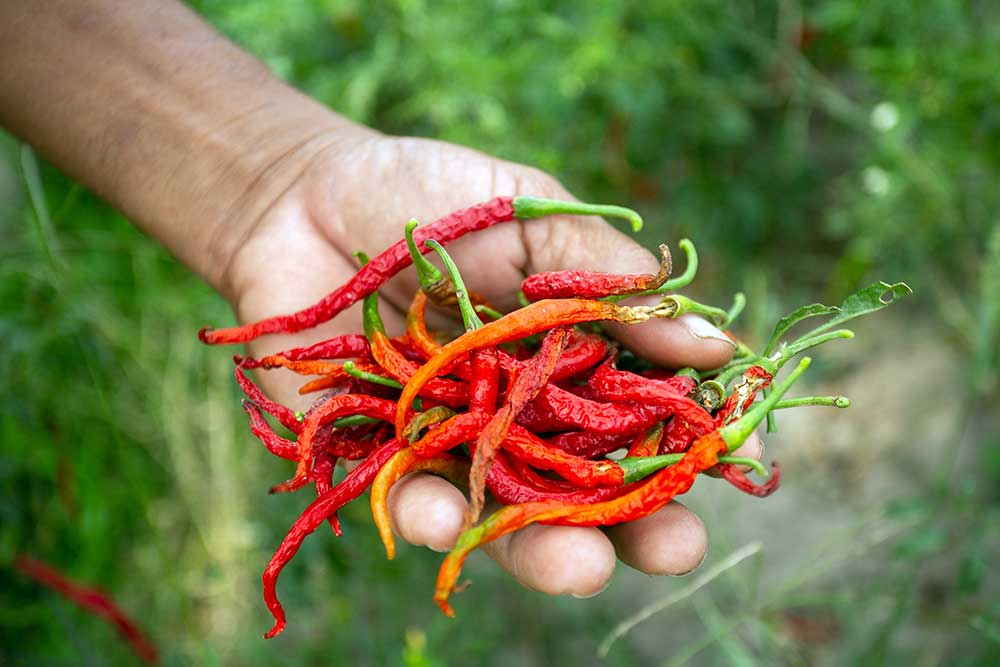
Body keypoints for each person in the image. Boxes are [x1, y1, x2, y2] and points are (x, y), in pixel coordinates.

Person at [0, 1, 760, 599]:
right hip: (454, 377)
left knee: (541, 408)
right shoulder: (482, 348)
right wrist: (276, 190)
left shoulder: (576, 353)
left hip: (481, 381)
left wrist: (277, 179)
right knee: (507, 398)